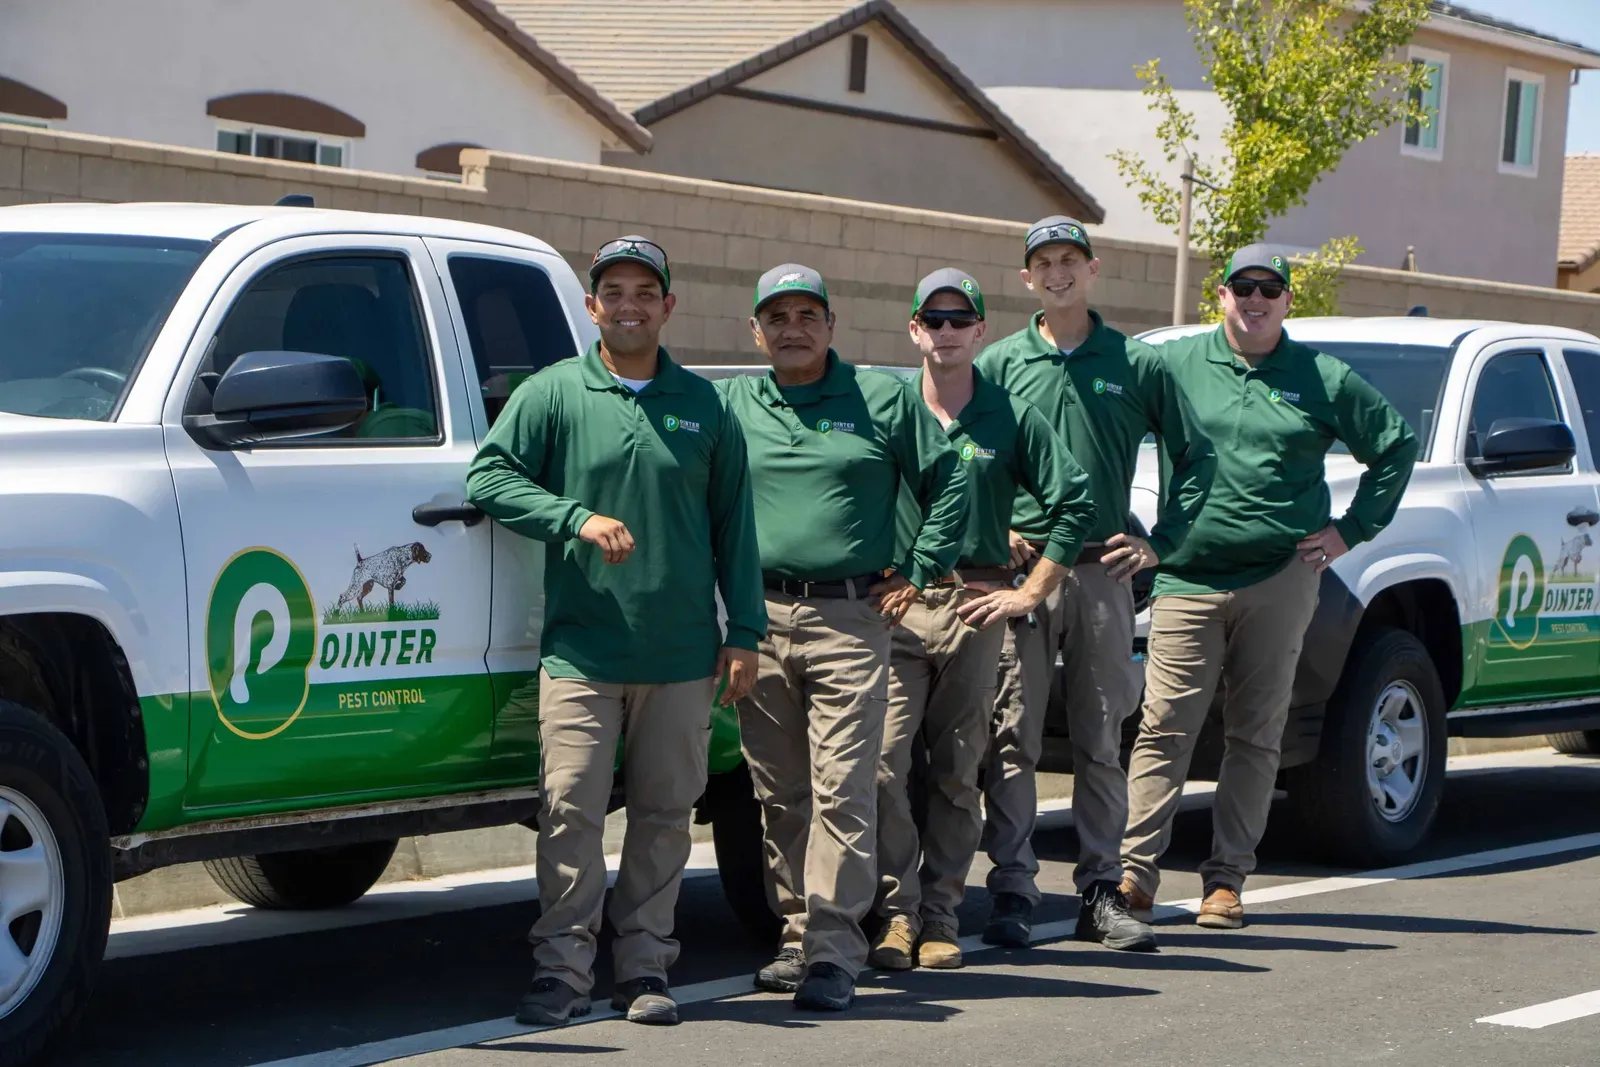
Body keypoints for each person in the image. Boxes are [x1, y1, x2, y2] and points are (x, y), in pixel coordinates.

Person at [466, 236, 766, 1027]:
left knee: (667, 815)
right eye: (613, 291)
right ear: (592, 306)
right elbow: (489, 477)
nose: (629, 304)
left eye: (645, 291)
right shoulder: (554, 392)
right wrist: (573, 517)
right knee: (570, 810)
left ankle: (643, 968)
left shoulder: (706, 405)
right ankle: (562, 969)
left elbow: (736, 529)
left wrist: (746, 633)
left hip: (680, 655)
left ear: (668, 305)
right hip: (582, 649)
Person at [1120, 244, 1418, 929]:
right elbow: (1106, 432)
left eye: (1269, 288)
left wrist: (1349, 531)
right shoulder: (1174, 365)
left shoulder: (1322, 376)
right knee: (1163, 725)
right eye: (1242, 287)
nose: (1255, 299)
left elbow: (1394, 446)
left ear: (1287, 299)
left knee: (1255, 734)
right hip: (1187, 574)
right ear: (1219, 293)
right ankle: (1134, 875)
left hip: (1281, 578)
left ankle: (1226, 882)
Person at [718, 264, 967, 1011]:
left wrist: (920, 571)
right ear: (754, 329)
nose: (792, 328)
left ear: (832, 324)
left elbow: (952, 478)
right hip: (757, 620)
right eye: (777, 316)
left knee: (844, 787)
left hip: (851, 618)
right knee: (780, 792)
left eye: (807, 314)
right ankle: (797, 936)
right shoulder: (732, 401)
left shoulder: (882, 396)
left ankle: (834, 949)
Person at [975, 216, 1214, 952]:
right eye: (1042, 262)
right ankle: (1013, 888)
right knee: (1011, 736)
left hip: (1101, 573)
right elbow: (971, 456)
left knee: (1101, 738)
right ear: (1026, 279)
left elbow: (1196, 457)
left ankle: (1102, 892)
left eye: (1069, 260)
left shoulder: (1136, 364)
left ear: (1093, 268)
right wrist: (994, 526)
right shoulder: (1001, 363)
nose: (1057, 273)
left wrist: (1159, 542)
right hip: (1022, 578)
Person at [869, 268, 1096, 972]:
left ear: (980, 331)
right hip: (897, 605)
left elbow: (1075, 500)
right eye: (931, 320)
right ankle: (895, 914)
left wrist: (1029, 592)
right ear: (913, 329)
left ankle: (940, 915)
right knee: (881, 763)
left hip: (976, 604)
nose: (944, 332)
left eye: (957, 320)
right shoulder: (883, 407)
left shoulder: (1010, 414)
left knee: (959, 769)